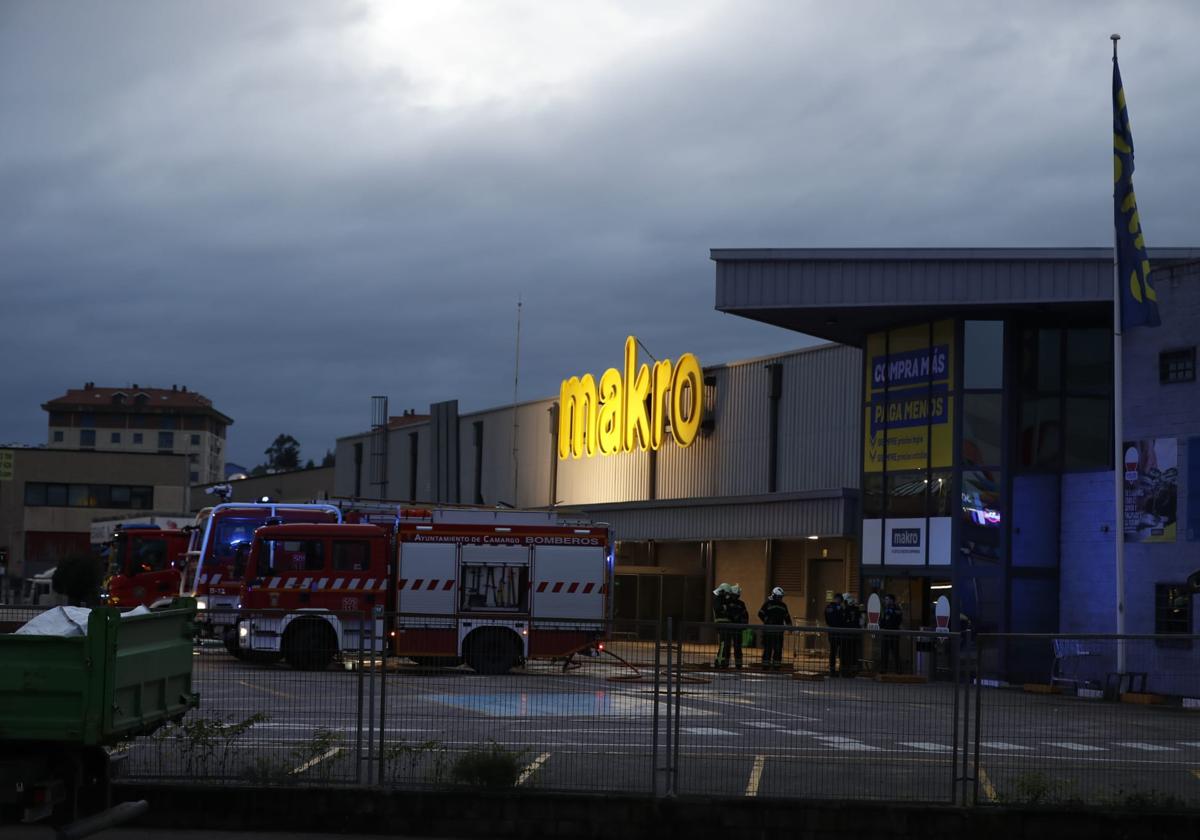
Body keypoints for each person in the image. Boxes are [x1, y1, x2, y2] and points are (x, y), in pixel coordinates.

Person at [757, 586, 792, 670]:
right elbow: (760, 614)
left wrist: (790, 626)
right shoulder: (768, 604)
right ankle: (766, 665)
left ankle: (776, 666)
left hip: (777, 631)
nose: (780, 599)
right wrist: (767, 621)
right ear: (774, 595)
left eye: (781, 597)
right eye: (779, 597)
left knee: (777, 649)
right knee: (769, 649)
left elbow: (787, 617)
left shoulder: (782, 605)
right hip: (770, 631)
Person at [722, 583, 749, 669]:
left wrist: (744, 624)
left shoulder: (740, 604)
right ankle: (725, 664)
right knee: (727, 646)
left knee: (736, 647)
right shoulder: (726, 602)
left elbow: (745, 615)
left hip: (736, 628)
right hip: (730, 628)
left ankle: (737, 664)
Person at [879, 593, 903, 674]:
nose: (886, 601)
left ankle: (898, 669)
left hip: (894, 633)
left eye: (887, 599)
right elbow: (882, 620)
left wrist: (892, 613)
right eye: (885, 599)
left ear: (892, 600)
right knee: (884, 651)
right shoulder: (884, 609)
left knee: (895, 652)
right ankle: (883, 669)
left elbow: (898, 620)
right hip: (885, 633)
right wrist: (881, 626)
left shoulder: (897, 608)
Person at [824, 592, 845, 677]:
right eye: (839, 599)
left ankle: (839, 668)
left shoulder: (838, 608)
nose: (839, 601)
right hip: (834, 631)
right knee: (834, 650)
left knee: (838, 651)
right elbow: (831, 619)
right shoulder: (832, 608)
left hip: (837, 631)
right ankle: (833, 669)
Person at [841, 593, 862, 677]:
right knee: (853, 653)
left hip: (846, 635)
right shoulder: (857, 610)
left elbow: (843, 621)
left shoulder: (845, 610)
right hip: (854, 634)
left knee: (845, 653)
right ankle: (853, 671)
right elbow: (860, 622)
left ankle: (845, 670)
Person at [712, 583, 732, 668]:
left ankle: (724, 662)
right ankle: (719, 661)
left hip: (726, 624)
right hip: (721, 624)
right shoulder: (718, 599)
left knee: (727, 643)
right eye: (727, 593)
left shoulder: (724, 600)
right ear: (723, 592)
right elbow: (719, 609)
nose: (727, 595)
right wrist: (726, 607)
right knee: (723, 643)